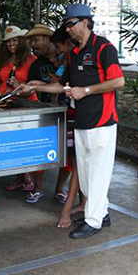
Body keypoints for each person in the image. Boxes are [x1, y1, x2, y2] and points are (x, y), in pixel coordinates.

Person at [19, 4, 124, 239]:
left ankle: (94, 220)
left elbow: (118, 81)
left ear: (85, 22)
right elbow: (62, 86)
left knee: (97, 171)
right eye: (66, 25)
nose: (67, 30)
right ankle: (102, 211)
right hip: (82, 121)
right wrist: (35, 86)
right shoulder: (73, 53)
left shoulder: (104, 48)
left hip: (103, 121)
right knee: (86, 172)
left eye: (70, 24)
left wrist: (85, 90)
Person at [0, 25, 37, 191]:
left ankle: (27, 177)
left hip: (26, 105)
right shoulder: (5, 60)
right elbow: (1, 84)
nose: (11, 44)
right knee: (13, 142)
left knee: (25, 143)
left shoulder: (31, 60)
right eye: (8, 41)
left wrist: (20, 85)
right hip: (7, 104)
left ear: (22, 41)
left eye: (15, 40)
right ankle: (18, 177)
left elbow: (34, 86)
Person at [21, 23, 66, 204]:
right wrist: (20, 88)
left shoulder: (68, 58)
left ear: (48, 39)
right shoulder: (37, 64)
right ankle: (38, 189)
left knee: (67, 152)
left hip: (68, 110)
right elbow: (29, 89)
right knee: (40, 150)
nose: (34, 44)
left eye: (36, 40)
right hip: (44, 111)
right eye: (32, 41)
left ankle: (60, 189)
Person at [51, 26, 86, 229]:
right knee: (76, 163)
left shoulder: (73, 59)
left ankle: (70, 208)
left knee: (77, 164)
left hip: (79, 116)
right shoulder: (69, 60)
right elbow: (58, 84)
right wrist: (36, 86)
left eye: (59, 46)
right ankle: (81, 203)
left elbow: (60, 85)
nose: (59, 51)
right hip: (74, 114)